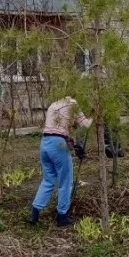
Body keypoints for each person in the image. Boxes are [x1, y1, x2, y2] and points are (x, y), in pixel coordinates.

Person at [30, 96, 92, 227]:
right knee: (66, 180)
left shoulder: (53, 104)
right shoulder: (73, 103)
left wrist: (74, 144)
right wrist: (94, 115)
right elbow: (85, 125)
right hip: (58, 144)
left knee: (48, 179)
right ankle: (62, 216)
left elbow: (60, 128)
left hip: (45, 143)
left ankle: (35, 212)